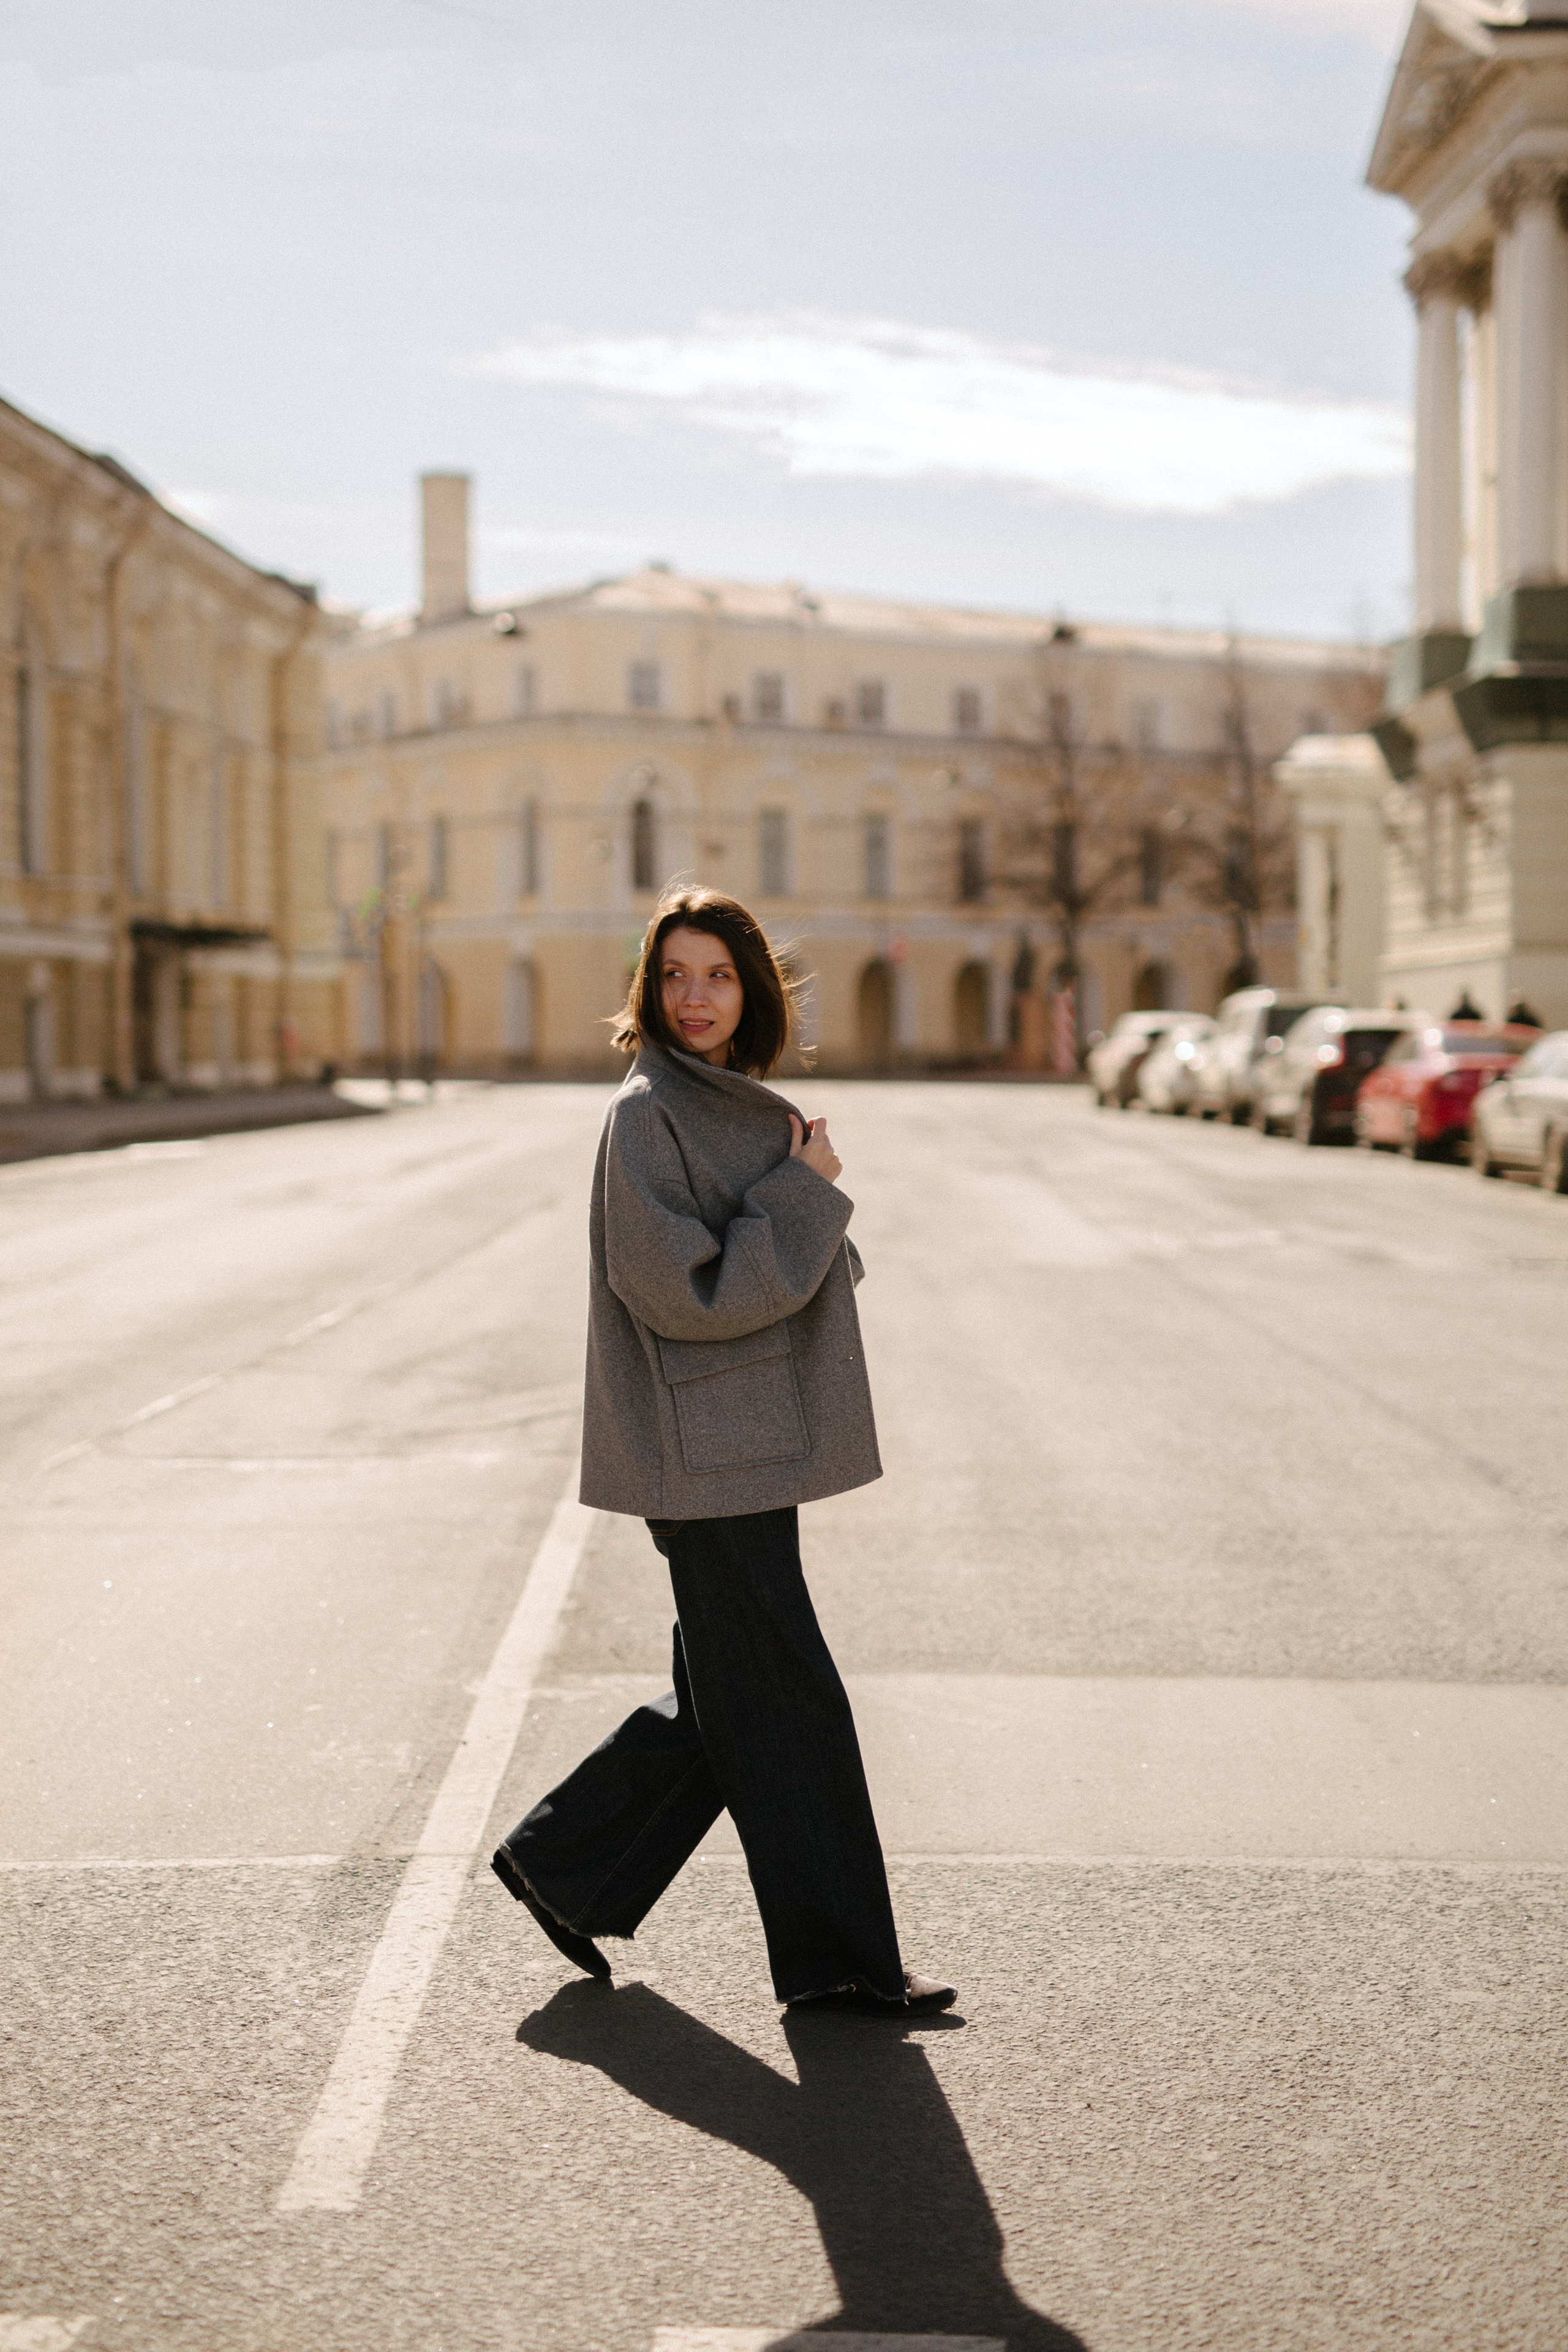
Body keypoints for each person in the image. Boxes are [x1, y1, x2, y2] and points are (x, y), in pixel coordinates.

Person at [492, 886, 954, 2018]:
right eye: (674, 976)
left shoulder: (721, 1099)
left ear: (753, 990)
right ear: (648, 989)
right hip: (700, 1448)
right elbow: (679, 1291)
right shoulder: (649, 1113)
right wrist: (805, 1190)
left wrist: (794, 1190)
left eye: (717, 976)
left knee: (732, 1694)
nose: (693, 998)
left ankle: (568, 1864)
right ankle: (841, 1960)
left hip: (733, 1437)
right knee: (788, 1695)